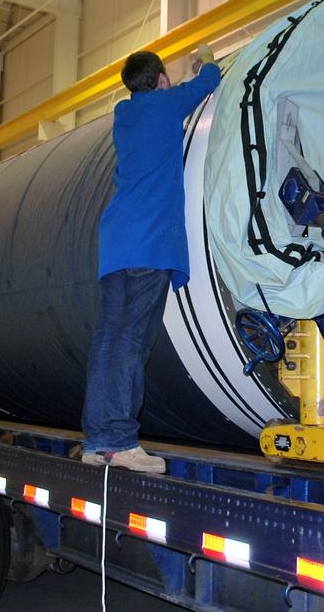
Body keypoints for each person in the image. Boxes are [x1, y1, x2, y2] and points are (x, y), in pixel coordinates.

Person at [81, 44, 220, 473]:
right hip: (148, 244)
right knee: (132, 343)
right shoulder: (165, 105)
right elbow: (208, 81)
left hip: (117, 243)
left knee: (107, 342)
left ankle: (97, 441)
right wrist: (206, 59)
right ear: (160, 80)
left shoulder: (125, 116)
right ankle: (122, 442)